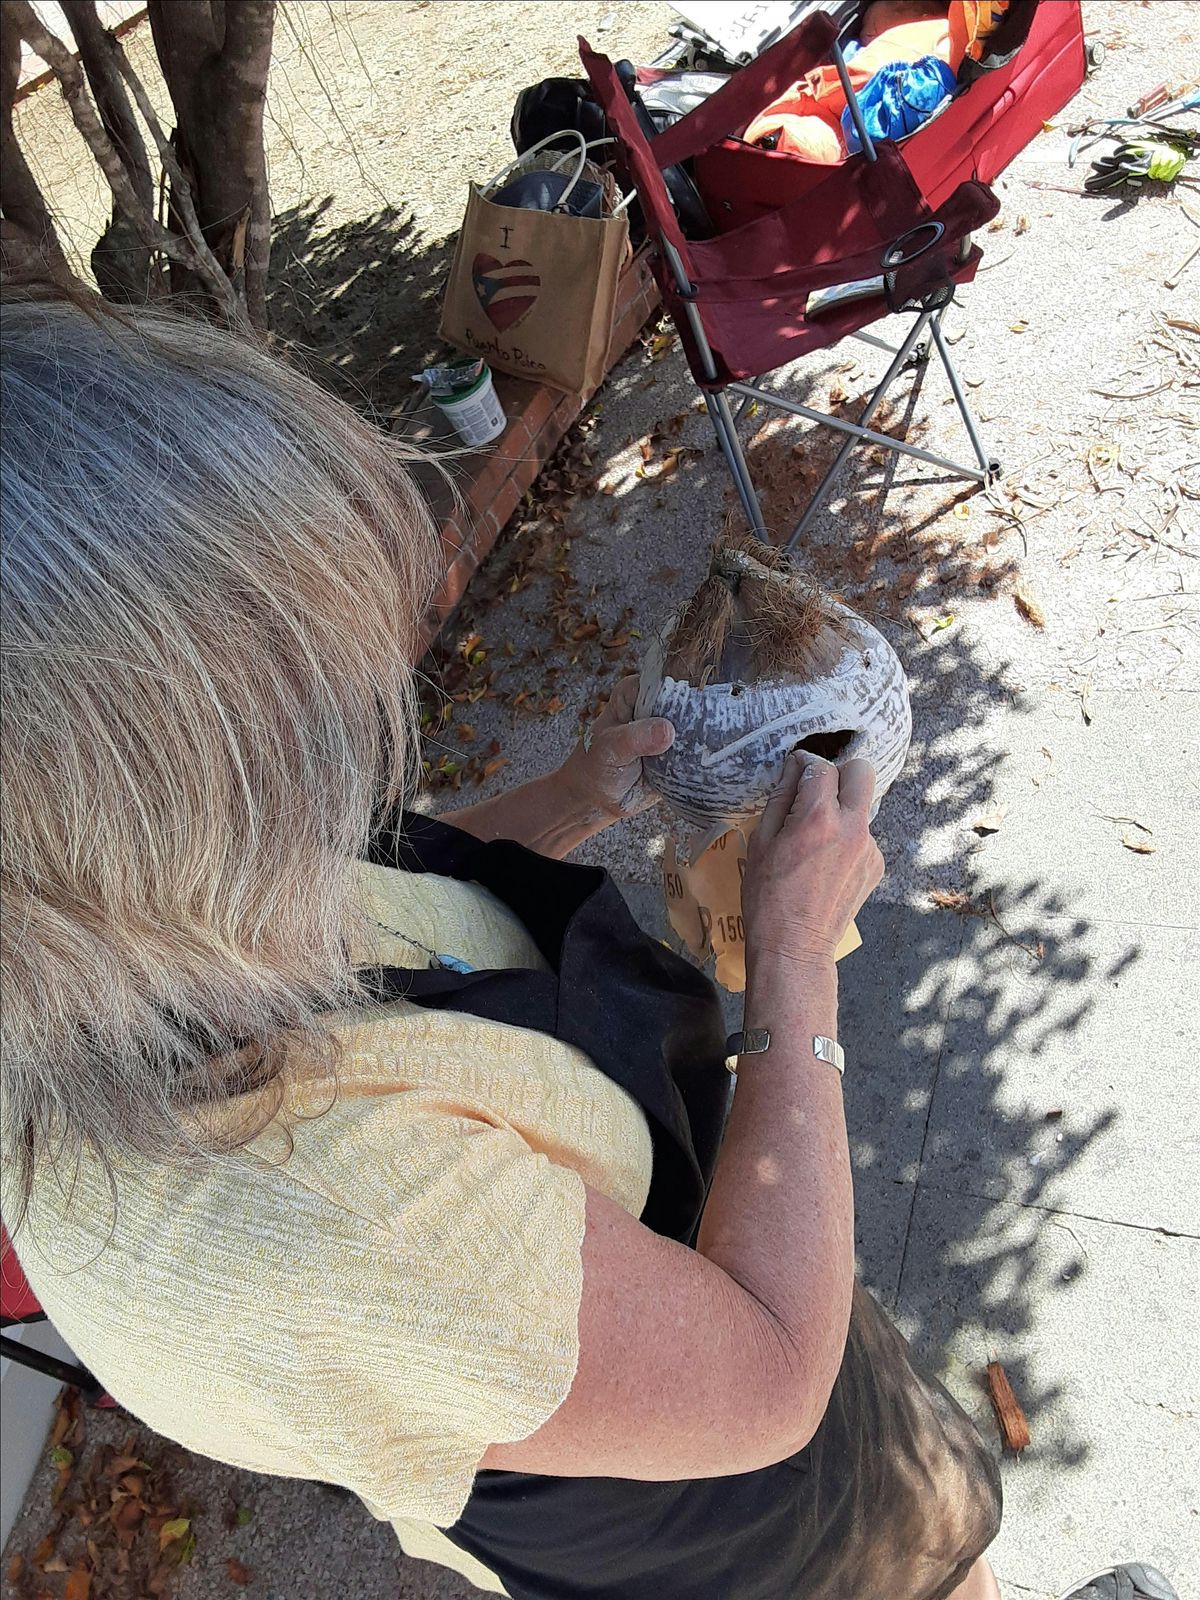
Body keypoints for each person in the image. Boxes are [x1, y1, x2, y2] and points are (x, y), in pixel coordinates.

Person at [0, 287, 1153, 1600]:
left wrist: (578, 793)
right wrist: (793, 956)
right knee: (897, 1552)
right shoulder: (326, 1216)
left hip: (651, 1316)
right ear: (153, 785)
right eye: (317, 696)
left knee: (931, 1522)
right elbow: (772, 1377)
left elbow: (382, 873)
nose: (377, 684)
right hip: (718, 1511)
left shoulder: (114, 915)